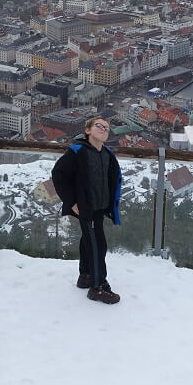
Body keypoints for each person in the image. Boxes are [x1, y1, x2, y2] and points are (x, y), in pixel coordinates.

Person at [50, 116, 123, 304]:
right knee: (98, 245)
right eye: (99, 126)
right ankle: (98, 286)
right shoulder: (78, 152)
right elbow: (58, 175)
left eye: (106, 128)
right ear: (88, 130)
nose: (104, 129)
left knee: (88, 240)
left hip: (100, 208)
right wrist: (71, 201)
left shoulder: (107, 154)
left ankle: (86, 276)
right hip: (86, 208)